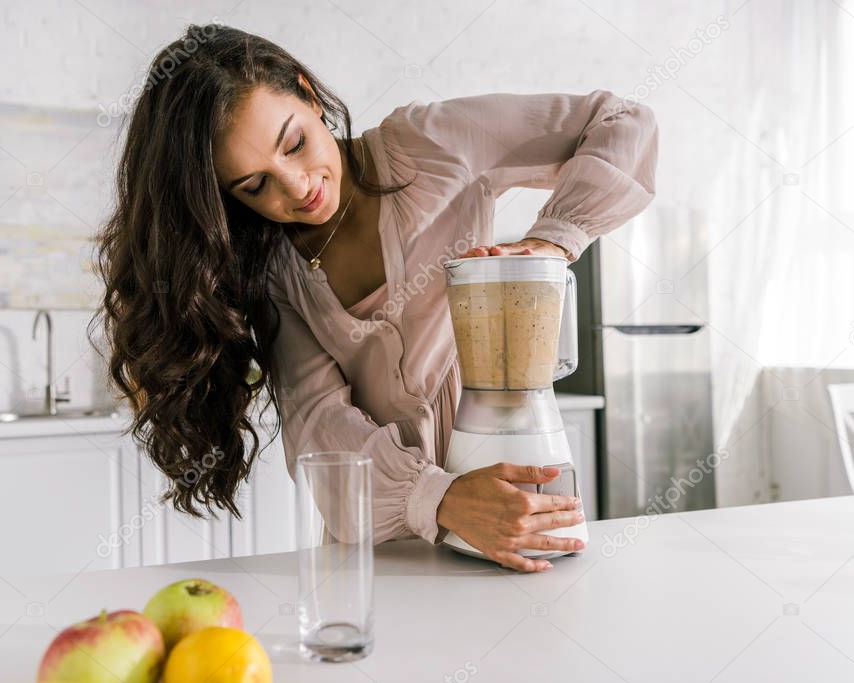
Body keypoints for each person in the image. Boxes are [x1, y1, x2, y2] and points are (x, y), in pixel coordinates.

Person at [93, 23, 658, 573]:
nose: (297, 187)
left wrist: (551, 241)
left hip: (515, 508)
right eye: (255, 185)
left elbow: (620, 121)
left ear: (307, 94)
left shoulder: (429, 142)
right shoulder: (274, 273)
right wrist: (437, 499)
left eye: (294, 143)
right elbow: (320, 427)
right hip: (385, 552)